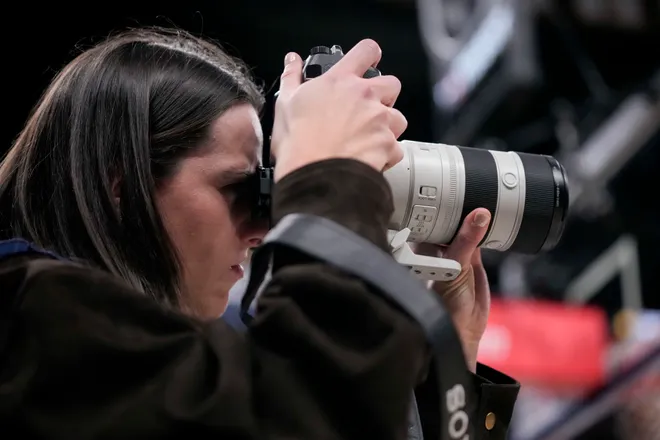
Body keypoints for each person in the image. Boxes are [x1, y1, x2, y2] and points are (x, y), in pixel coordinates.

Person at [0, 27, 518, 439]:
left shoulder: (152, 372)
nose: (259, 229)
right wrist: (330, 176)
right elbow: (302, 418)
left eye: (264, 195)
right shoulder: (23, 319)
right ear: (122, 187)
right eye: (236, 189)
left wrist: (448, 363)